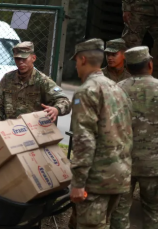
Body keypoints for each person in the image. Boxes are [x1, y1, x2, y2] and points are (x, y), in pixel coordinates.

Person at [69, 38, 133, 229]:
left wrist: (78, 182)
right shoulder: (118, 89)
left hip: (97, 180)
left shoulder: (87, 91)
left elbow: (84, 139)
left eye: (75, 62)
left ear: (81, 60)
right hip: (119, 176)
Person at [117, 46, 158, 229]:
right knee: (153, 210)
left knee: (119, 212)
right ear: (150, 64)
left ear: (127, 67)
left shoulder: (117, 89)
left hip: (122, 163)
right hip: (154, 165)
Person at [0, 41, 71, 125]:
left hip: (34, 130)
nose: (20, 62)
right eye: (17, 59)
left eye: (24, 58)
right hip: (10, 130)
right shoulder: (7, 79)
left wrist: (56, 109)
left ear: (33, 58)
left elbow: (64, 101)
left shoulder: (43, 81)